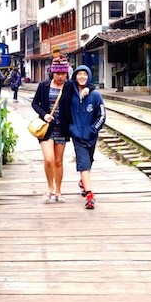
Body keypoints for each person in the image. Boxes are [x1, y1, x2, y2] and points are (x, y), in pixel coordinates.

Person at [31, 55, 92, 204]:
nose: (60, 76)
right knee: (49, 159)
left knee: (58, 161)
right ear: (52, 72)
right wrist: (44, 114)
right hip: (47, 129)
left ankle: (58, 191)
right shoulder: (44, 86)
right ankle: (49, 188)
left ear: (67, 73)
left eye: (63, 73)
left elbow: (88, 83)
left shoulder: (70, 86)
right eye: (57, 73)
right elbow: (35, 103)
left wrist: (88, 89)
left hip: (62, 129)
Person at [69, 65, 106, 210]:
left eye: (85, 74)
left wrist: (93, 129)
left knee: (89, 161)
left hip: (91, 135)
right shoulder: (70, 93)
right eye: (79, 74)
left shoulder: (96, 96)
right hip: (77, 136)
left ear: (89, 76)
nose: (82, 77)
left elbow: (102, 115)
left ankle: (83, 182)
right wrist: (71, 129)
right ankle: (90, 196)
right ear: (75, 76)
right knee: (84, 163)